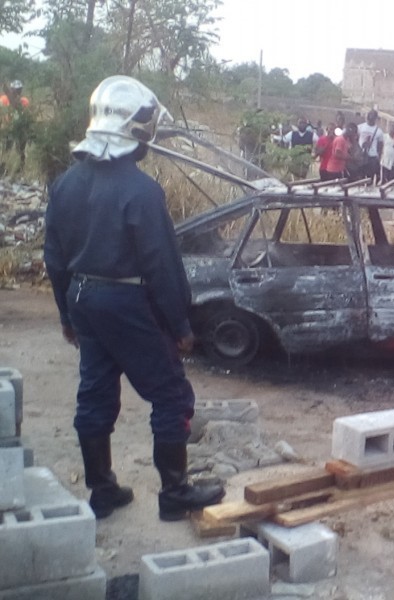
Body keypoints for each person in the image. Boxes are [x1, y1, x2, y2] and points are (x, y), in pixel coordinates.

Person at [42, 76, 225, 521]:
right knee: (171, 394)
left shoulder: (65, 184)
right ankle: (175, 493)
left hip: (82, 297)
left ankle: (103, 491)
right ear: (135, 131)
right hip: (125, 302)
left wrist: (66, 314)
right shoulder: (141, 191)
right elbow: (162, 265)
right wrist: (180, 326)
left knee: (95, 392)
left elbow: (54, 257)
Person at [357, 109, 384, 181]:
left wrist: (379, 157)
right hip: (361, 156)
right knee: (360, 177)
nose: (370, 117)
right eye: (369, 115)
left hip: (372, 157)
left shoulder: (379, 131)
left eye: (372, 115)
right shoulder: (360, 127)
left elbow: (380, 146)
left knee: (370, 177)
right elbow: (355, 140)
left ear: (375, 118)